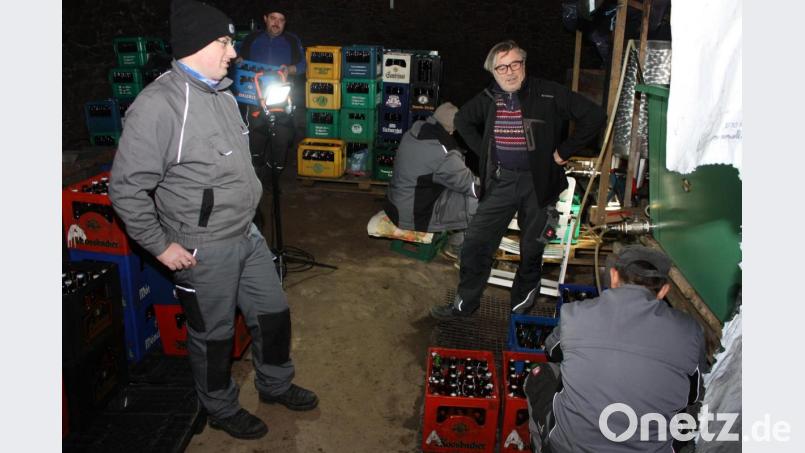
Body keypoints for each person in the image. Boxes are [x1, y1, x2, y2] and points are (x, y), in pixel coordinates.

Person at [108, 0, 317, 440]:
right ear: (194, 44)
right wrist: (161, 245)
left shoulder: (220, 91)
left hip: (246, 232)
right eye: (224, 42)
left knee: (274, 313)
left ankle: (275, 383)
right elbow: (126, 188)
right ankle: (220, 407)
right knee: (214, 335)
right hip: (203, 245)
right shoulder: (159, 105)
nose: (233, 52)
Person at [430, 40, 605, 320]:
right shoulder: (489, 97)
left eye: (515, 64)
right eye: (501, 67)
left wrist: (565, 151)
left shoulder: (548, 92)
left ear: (523, 64)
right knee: (475, 242)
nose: (509, 72)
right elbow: (463, 120)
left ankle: (520, 309)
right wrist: (485, 152)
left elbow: (594, 115)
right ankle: (465, 305)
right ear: (493, 71)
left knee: (531, 249)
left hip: (540, 184)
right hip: (502, 182)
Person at [523, 245, 707, 452]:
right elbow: (696, 394)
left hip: (569, 448)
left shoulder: (575, 314)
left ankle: (543, 447)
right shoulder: (691, 332)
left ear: (613, 276)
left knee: (541, 374)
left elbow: (552, 350)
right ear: (664, 290)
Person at [383, 102, 479, 258]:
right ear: (453, 128)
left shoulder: (413, 132)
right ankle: (456, 247)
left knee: (453, 187)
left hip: (395, 202)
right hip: (412, 214)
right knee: (480, 201)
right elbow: (471, 186)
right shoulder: (443, 150)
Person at [237, 5, 305, 193]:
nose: (277, 23)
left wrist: (289, 70)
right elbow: (237, 56)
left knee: (281, 140)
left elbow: (302, 65)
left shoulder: (291, 40)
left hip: (280, 98)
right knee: (256, 139)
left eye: (281, 20)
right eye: (273, 18)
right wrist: (238, 60)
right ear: (265, 18)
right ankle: (253, 179)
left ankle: (271, 180)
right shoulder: (252, 38)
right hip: (254, 98)